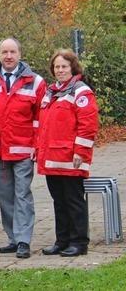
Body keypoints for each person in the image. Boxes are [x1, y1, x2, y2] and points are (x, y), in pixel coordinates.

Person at [0, 38, 46, 258]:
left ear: (20, 54)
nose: (9, 56)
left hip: (23, 147)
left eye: (13, 52)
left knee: (22, 194)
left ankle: (24, 240)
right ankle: (13, 237)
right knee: (5, 195)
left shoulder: (35, 82)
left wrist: (37, 145)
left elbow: (40, 118)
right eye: (4, 52)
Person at [37, 49, 99, 257]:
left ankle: (79, 242)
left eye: (64, 66)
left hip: (71, 158)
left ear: (73, 67)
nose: (60, 70)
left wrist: (81, 151)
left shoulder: (81, 92)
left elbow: (88, 125)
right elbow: (44, 126)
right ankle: (62, 241)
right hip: (52, 158)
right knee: (59, 202)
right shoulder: (50, 92)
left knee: (73, 202)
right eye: (57, 66)